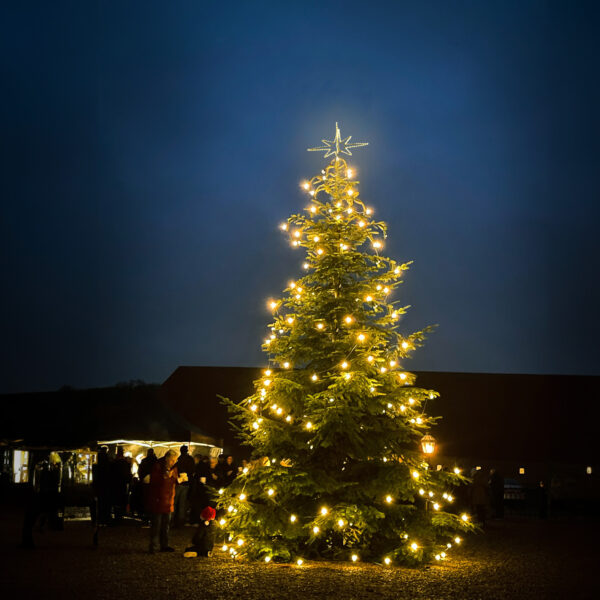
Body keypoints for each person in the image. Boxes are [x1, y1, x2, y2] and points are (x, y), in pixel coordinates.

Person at [148, 449, 179, 553]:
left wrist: (178, 479)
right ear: (167, 459)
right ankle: (153, 546)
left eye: (175, 460)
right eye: (172, 460)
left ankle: (164, 545)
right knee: (156, 525)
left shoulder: (174, 468)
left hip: (169, 500)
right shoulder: (158, 466)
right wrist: (164, 477)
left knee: (166, 525)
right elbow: (154, 481)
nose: (173, 462)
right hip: (159, 500)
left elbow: (174, 480)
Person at [173, 445, 195, 527]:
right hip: (187, 484)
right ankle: (181, 521)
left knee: (175, 502)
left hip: (179, 483)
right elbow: (193, 470)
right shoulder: (190, 459)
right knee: (182, 503)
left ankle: (172, 520)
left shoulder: (179, 459)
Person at [110, 447, 132, 523]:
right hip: (121, 484)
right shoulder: (124, 462)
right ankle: (120, 515)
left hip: (116, 484)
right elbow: (128, 473)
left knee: (117, 500)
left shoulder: (114, 462)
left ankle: (118, 515)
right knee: (120, 500)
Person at [92, 446, 112, 525]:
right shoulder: (108, 460)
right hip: (106, 484)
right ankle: (105, 519)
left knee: (99, 503)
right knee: (105, 503)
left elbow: (95, 471)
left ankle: (99, 519)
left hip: (99, 484)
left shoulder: (97, 459)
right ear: (106, 450)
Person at [138, 448, 157, 526]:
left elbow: (140, 471)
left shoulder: (144, 461)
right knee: (152, 499)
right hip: (154, 483)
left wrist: (142, 478)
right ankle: (152, 516)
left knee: (145, 498)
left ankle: (145, 515)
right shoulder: (156, 461)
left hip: (145, 482)